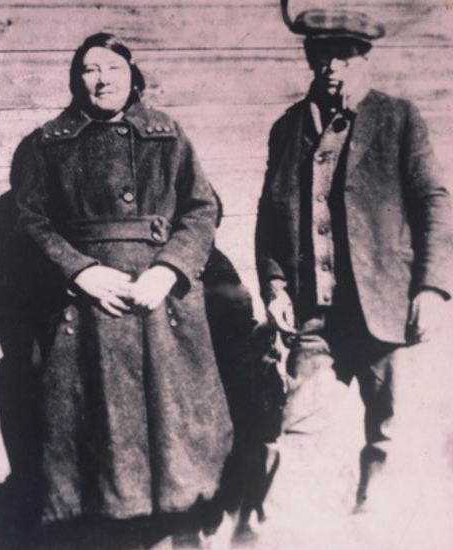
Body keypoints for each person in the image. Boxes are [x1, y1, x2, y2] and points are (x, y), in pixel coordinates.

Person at [13, 33, 233, 549]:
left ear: (133, 76)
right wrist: (80, 271)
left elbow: (201, 211)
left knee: (179, 449)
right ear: (76, 80)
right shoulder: (47, 144)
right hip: (85, 317)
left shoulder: (168, 135)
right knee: (100, 460)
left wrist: (168, 270)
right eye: (89, 69)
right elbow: (29, 223)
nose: (102, 79)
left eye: (113, 67)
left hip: (163, 311)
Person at [255, 3, 452, 527]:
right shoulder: (288, 128)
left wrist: (432, 289)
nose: (331, 68)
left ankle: (379, 527)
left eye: (343, 56)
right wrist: (275, 285)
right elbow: (270, 218)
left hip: (387, 309)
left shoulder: (398, 118)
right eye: (321, 56)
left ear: (364, 59)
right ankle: (281, 535)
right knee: (298, 438)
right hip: (316, 318)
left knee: (394, 435)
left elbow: (434, 201)